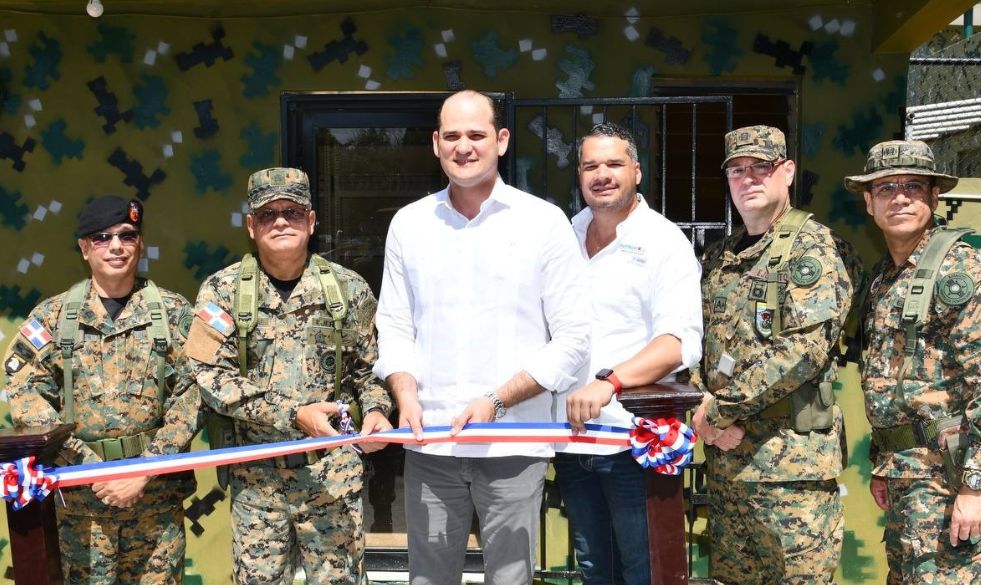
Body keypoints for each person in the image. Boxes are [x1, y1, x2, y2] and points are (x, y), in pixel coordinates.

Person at [374, 90, 589, 584]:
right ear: (435, 143)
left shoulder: (543, 222)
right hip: (430, 447)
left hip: (513, 443)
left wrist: (496, 399)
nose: (463, 146)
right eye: (452, 135)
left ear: (502, 140)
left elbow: (573, 337)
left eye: (476, 134)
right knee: (428, 579)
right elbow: (396, 325)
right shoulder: (409, 224)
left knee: (510, 579)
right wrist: (404, 396)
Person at [185, 167, 393, 585]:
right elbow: (210, 378)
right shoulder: (221, 293)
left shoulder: (348, 290)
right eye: (267, 214)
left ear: (312, 221)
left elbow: (369, 371)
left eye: (293, 212)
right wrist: (293, 413)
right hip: (257, 481)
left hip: (331, 476)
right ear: (250, 225)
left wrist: (376, 411)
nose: (281, 221)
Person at [2, 195, 202, 584]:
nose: (115, 246)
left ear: (140, 244)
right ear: (83, 248)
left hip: (154, 507)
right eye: (101, 237)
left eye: (126, 236)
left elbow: (194, 395)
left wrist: (143, 470)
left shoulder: (174, 313)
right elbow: (24, 389)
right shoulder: (54, 317)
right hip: (80, 509)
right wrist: (90, 468)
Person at [847, 140, 981, 584]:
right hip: (908, 479)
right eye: (886, 188)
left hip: (951, 481)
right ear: (869, 203)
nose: (900, 197)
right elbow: (894, 382)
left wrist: (977, 486)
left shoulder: (964, 273)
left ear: (933, 197)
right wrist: (885, 463)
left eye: (913, 186)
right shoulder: (885, 277)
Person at [691, 125, 853, 584]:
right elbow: (695, 343)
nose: (748, 179)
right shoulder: (720, 257)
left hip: (790, 470)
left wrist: (717, 411)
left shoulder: (814, 249)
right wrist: (702, 407)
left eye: (760, 168)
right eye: (737, 170)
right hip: (728, 463)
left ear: (787, 171)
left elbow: (803, 349)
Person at [555, 122, 703, 585]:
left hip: (632, 442)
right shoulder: (564, 235)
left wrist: (609, 382)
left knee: (645, 571)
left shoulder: (664, 242)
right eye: (590, 165)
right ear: (579, 174)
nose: (602, 174)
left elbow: (676, 343)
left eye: (614, 164)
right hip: (569, 436)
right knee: (596, 569)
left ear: (636, 171)